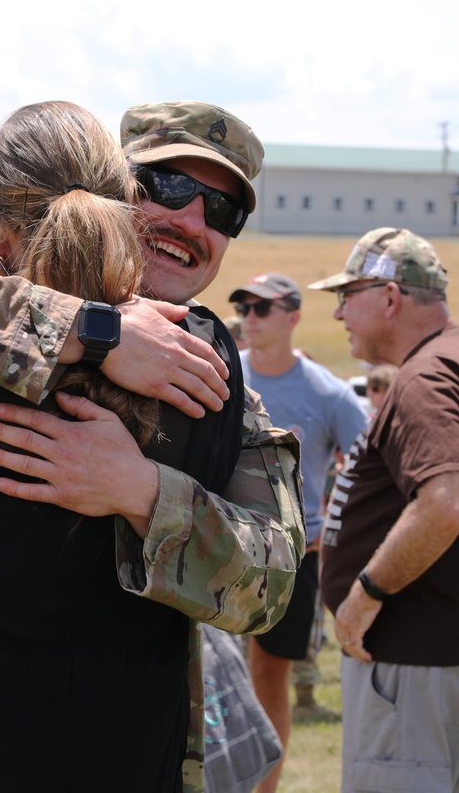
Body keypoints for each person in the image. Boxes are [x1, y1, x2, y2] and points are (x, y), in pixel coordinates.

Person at [0, 100, 305, 792]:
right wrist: (95, 330)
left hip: (104, 743)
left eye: (224, 210)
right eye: (169, 188)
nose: (193, 221)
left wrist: (144, 492)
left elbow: (269, 590)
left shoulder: (214, 385)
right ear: (114, 188)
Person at [310, 227, 459, 793]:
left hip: (409, 671)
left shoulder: (424, 380)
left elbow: (444, 504)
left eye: (348, 296)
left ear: (391, 299)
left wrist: (362, 597)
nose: (340, 314)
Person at [227, 273, 368, 792]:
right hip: (217, 549)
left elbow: (370, 461)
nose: (251, 318)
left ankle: (267, 788)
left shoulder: (327, 392)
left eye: (263, 308)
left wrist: (331, 532)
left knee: (269, 677)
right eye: (244, 308)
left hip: (292, 560)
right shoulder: (223, 373)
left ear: (293, 316)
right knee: (208, 673)